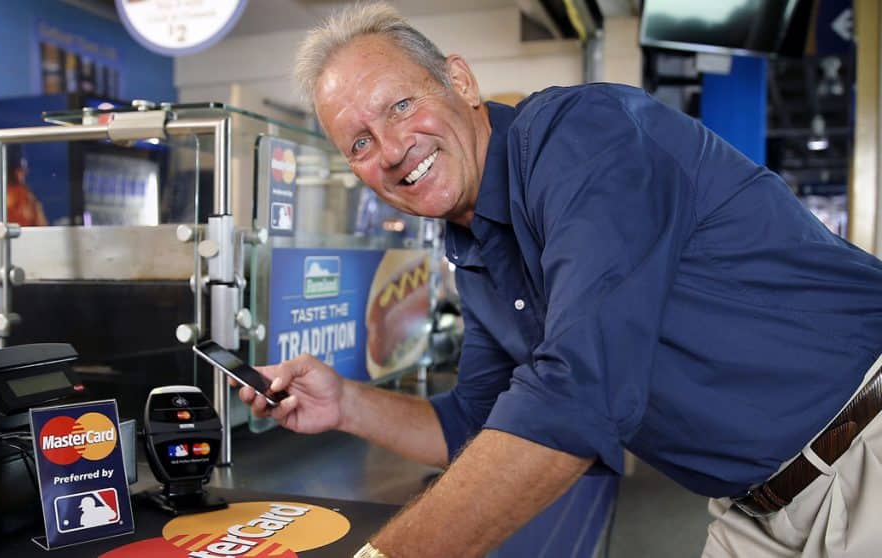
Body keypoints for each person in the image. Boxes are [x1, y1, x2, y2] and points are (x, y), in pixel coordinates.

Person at [237, 3, 882, 557]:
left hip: (866, 452)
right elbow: (470, 424)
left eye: (401, 104)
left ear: (459, 80)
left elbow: (580, 390)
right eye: (359, 143)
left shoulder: (580, 137)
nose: (392, 147)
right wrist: (347, 404)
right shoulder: (475, 248)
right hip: (757, 507)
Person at [0, 145, 48, 251]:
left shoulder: (25, 197)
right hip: (4, 258)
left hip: (15, 257)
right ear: (16, 171)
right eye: (21, 169)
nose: (25, 172)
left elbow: (41, 232)